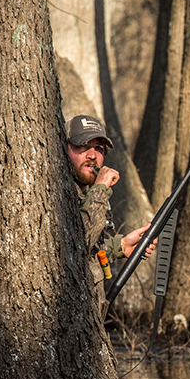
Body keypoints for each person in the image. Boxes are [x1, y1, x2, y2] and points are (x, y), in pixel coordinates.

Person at [67, 115, 154, 313]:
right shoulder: (55, 193)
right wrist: (100, 189)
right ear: (65, 148)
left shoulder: (87, 193)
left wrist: (118, 247)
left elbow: (80, 260)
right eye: (83, 145)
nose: (92, 155)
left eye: (99, 149)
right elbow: (76, 245)